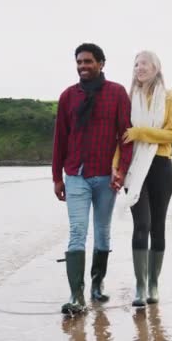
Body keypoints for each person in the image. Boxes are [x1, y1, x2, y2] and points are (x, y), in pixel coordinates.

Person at [52, 43, 133, 315]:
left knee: (102, 231)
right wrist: (57, 177)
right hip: (75, 174)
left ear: (101, 63)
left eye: (88, 61)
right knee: (77, 231)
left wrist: (121, 170)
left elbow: (126, 135)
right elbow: (60, 139)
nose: (82, 66)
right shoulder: (68, 96)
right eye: (79, 62)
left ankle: (97, 286)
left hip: (105, 176)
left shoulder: (117, 93)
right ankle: (77, 296)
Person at [120, 51, 172, 307]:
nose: (138, 68)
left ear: (156, 67)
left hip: (160, 167)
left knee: (158, 227)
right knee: (140, 225)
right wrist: (116, 168)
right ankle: (140, 286)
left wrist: (141, 132)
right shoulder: (129, 98)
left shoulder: (169, 96)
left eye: (143, 63)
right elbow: (122, 138)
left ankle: (154, 284)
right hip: (135, 169)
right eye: (135, 64)